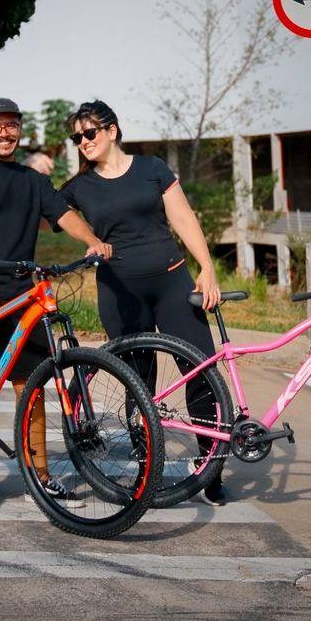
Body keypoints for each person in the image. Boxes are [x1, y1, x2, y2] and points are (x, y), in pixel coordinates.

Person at [0, 97, 112, 511]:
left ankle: (42, 477)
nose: (4, 133)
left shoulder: (32, 181)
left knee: (31, 388)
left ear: (20, 129)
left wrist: (91, 240)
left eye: (11, 125)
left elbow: (63, 214)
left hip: (21, 294)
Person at [57, 100, 229, 505]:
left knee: (201, 371)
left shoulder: (152, 168)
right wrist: (89, 239)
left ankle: (210, 467)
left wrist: (207, 268)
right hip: (120, 292)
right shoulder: (79, 186)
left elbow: (183, 218)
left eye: (90, 133)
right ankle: (146, 466)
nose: (83, 142)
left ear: (112, 131)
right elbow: (55, 213)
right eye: (77, 138)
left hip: (172, 283)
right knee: (139, 383)